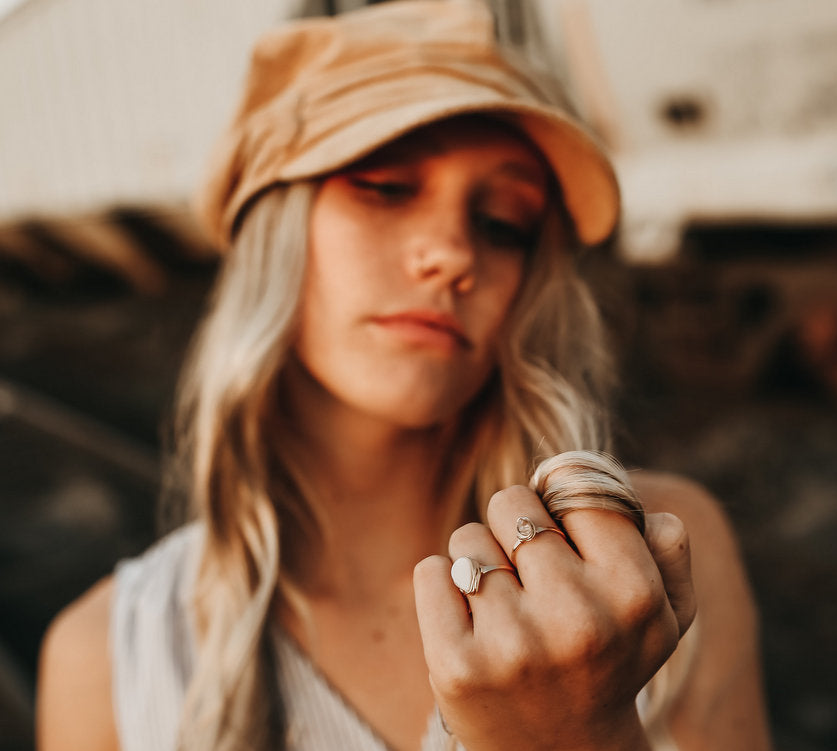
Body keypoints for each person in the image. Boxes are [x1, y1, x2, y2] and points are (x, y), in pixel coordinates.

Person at [35, 2, 770, 750]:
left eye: (504, 224)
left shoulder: (653, 554)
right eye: (385, 186)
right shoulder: (108, 658)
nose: (452, 253)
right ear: (274, 236)